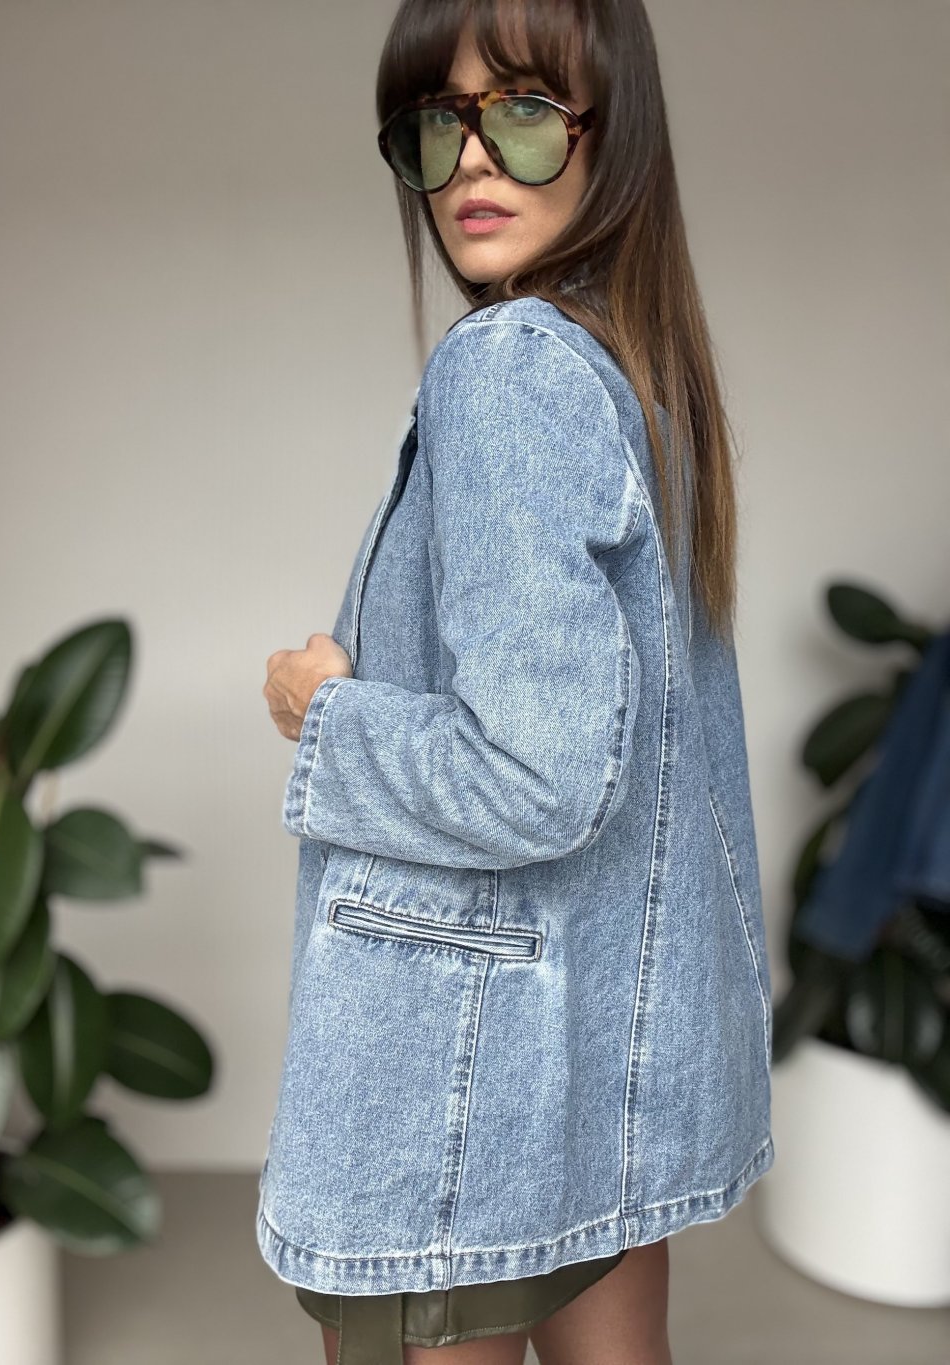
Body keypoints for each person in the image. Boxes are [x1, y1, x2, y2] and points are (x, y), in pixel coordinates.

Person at [259, 1, 774, 1361]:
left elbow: (538, 775)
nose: (474, 160)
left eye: (527, 112)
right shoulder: (639, 371)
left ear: (615, 131)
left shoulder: (508, 370)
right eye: (438, 124)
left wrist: (325, 715)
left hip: (463, 1073)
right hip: (603, 1055)